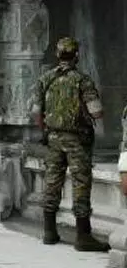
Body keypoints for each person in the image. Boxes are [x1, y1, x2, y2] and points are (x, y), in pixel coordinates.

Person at [32, 37, 108, 252]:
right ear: (76, 56)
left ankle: (49, 231)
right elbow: (97, 112)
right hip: (77, 141)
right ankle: (83, 236)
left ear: (57, 55)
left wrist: (46, 129)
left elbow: (36, 112)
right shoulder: (82, 81)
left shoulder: (45, 79)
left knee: (52, 181)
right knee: (81, 183)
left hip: (54, 138)